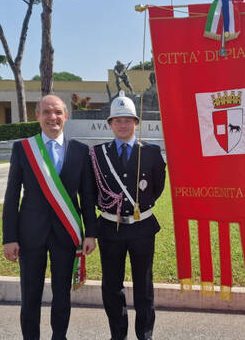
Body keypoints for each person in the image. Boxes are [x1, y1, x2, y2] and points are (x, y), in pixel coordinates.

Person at [2, 94, 97, 340]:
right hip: (30, 234)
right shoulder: (23, 149)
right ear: (37, 116)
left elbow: (87, 197)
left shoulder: (81, 151)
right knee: (30, 294)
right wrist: (9, 237)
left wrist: (91, 233)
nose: (52, 117)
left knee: (62, 294)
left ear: (66, 116)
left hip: (66, 233)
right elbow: (12, 195)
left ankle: (59, 337)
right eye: (46, 112)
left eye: (57, 112)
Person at [88, 95, 166, 340]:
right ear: (110, 124)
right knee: (112, 286)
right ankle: (117, 335)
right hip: (111, 228)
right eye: (118, 121)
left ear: (136, 122)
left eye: (128, 120)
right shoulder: (97, 155)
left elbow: (157, 188)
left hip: (142, 227)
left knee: (144, 287)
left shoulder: (151, 153)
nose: (123, 125)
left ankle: (145, 335)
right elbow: (90, 193)